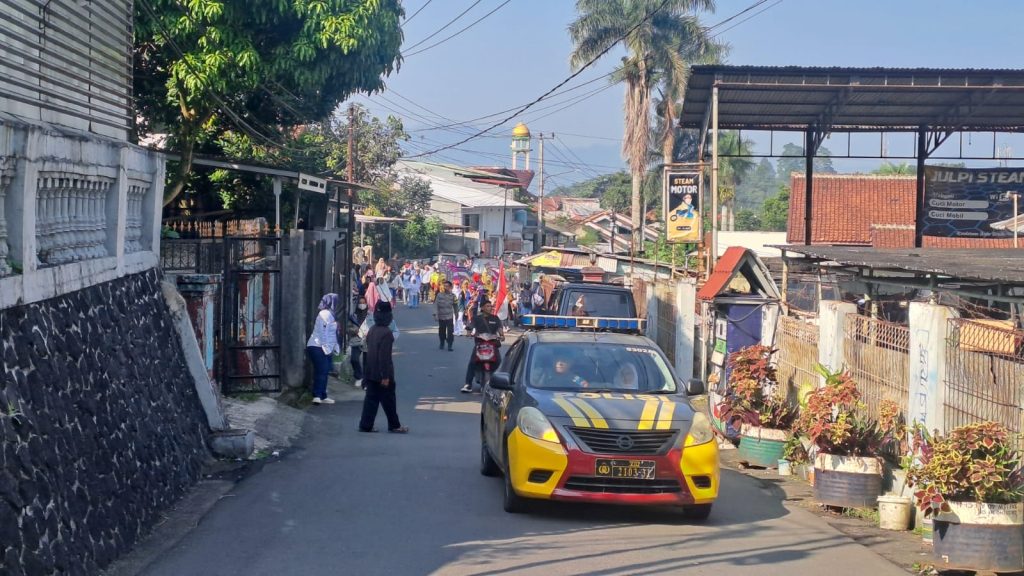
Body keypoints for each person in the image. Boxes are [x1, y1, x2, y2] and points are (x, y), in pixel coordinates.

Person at [358, 301, 409, 434]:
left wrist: (366, 374)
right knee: (389, 400)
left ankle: (365, 425)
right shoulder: (387, 333)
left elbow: (368, 353)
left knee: (371, 399)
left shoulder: (372, 330)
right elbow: (385, 357)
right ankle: (394, 425)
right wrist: (385, 376)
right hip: (383, 374)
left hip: (371, 371)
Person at [462, 299, 504, 393]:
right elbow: (470, 326)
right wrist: (469, 333)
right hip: (480, 344)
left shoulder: (495, 318)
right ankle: (468, 384)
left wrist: (502, 336)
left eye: (490, 306)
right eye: (488, 306)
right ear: (482, 308)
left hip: (492, 344)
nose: (490, 308)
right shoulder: (476, 318)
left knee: (499, 362)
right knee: (472, 363)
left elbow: (500, 328)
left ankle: (501, 384)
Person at [306, 293, 340, 404]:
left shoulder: (330, 314)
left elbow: (332, 333)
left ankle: (323, 395)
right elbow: (323, 332)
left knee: (325, 371)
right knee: (322, 370)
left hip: (325, 347)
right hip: (317, 346)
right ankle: (317, 395)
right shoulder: (325, 314)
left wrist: (335, 347)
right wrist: (326, 347)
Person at [347, 296, 370, 388]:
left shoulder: (370, 316)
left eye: (363, 303)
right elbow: (348, 328)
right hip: (356, 340)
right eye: (360, 303)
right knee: (354, 359)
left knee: (367, 362)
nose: (362, 305)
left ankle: (365, 381)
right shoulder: (353, 316)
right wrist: (354, 331)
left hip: (367, 341)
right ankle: (359, 376)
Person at [434, 280, 456, 351]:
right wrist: (435, 315)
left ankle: (450, 344)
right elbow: (436, 305)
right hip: (441, 316)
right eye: (445, 286)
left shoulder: (453, 296)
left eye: (447, 286)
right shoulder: (439, 295)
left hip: (449, 316)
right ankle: (442, 342)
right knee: (442, 331)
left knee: (450, 331)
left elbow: (456, 305)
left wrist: (457, 313)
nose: (446, 287)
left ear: (450, 287)